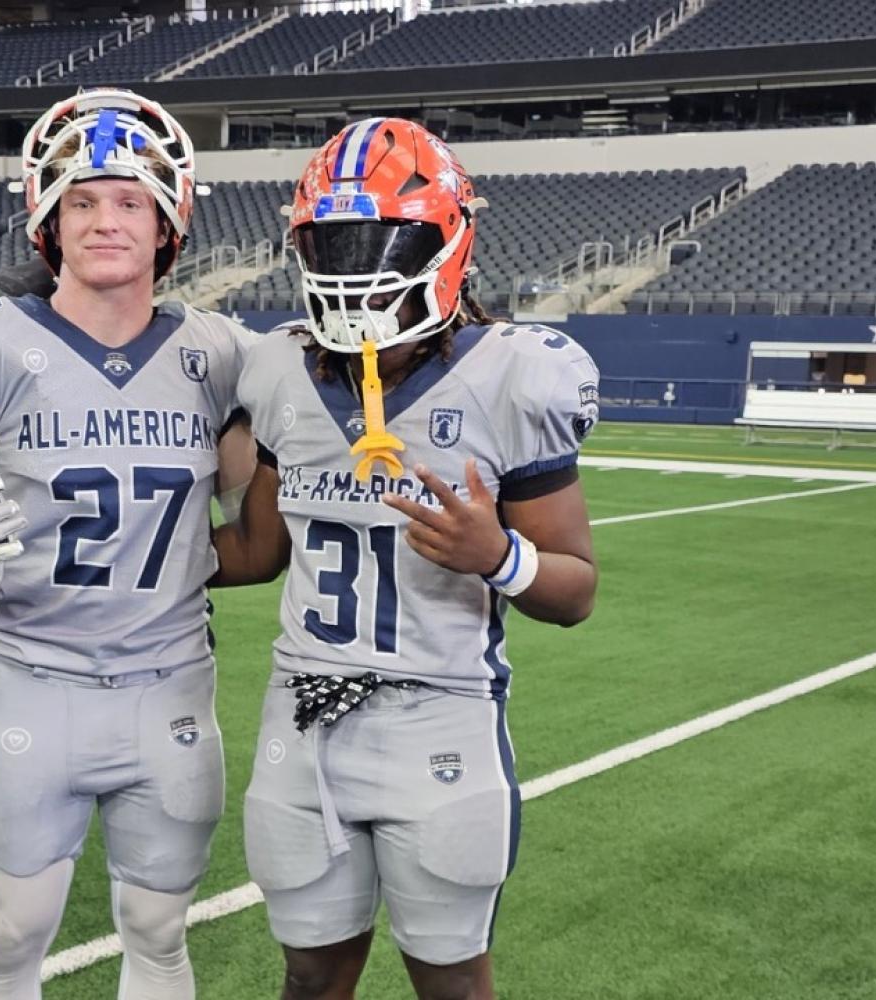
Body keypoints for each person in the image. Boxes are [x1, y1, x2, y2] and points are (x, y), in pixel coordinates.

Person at [212, 117, 600, 1000]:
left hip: (441, 717)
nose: (359, 268)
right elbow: (258, 550)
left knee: (452, 984)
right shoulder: (279, 370)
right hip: (300, 713)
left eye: (386, 241)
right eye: (337, 244)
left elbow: (576, 589)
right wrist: (131, 552)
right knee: (309, 976)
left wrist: (498, 556)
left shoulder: (514, 375)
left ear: (449, 243)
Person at [0, 88, 256, 1000]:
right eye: (83, 201)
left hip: (172, 687)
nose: (106, 220)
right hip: (35, 680)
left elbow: (257, 533)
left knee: (161, 937)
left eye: (130, 200)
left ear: (167, 222)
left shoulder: (221, 355)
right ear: (48, 221)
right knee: (12, 939)